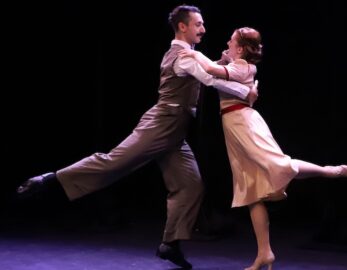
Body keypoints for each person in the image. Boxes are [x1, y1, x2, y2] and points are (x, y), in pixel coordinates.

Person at [16, 5, 257, 269]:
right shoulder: (183, 55)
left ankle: (170, 244)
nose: (203, 29)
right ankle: (49, 180)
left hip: (175, 133)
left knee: (190, 185)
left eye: (202, 24)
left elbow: (209, 71)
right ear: (182, 27)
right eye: (198, 24)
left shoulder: (191, 54)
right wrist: (244, 92)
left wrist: (224, 65)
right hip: (161, 124)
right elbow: (210, 80)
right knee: (113, 162)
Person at [179, 26, 347, 270]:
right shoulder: (236, 65)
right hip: (233, 125)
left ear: (240, 48)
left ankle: (329, 171)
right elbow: (217, 73)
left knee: (278, 164)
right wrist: (222, 59)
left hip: (244, 122)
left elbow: (209, 71)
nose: (227, 43)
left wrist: (190, 52)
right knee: (252, 190)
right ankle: (265, 253)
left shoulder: (244, 66)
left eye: (231, 41)